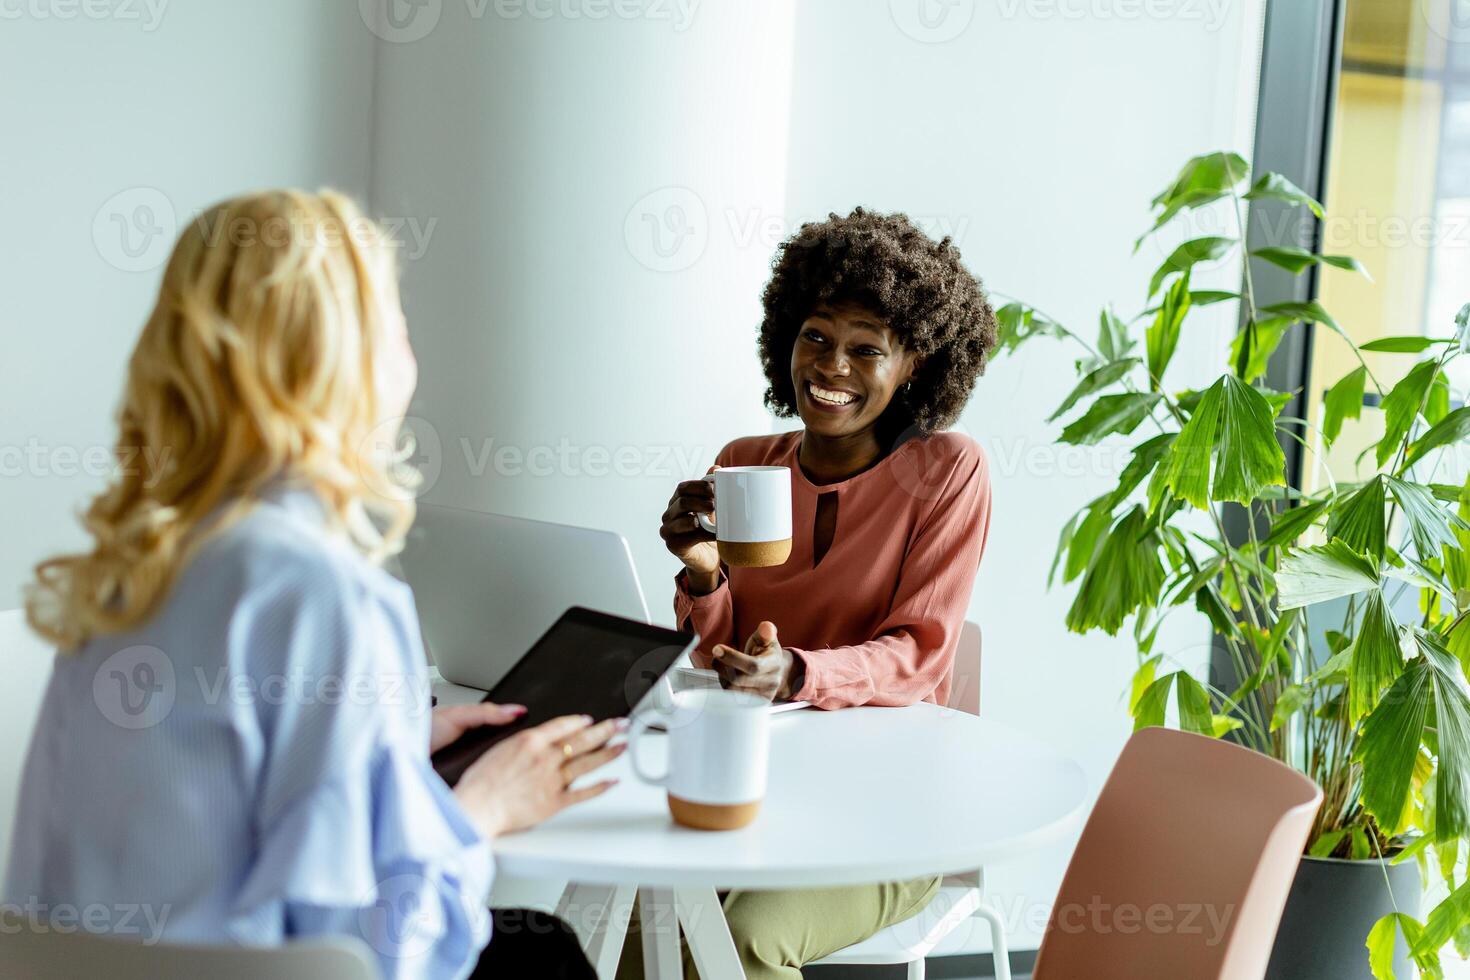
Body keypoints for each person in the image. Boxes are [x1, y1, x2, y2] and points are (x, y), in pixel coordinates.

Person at [5, 190, 616, 980]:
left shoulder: (122, 576)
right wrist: (483, 810)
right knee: (543, 955)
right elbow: (375, 952)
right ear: (342, 358)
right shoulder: (323, 593)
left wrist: (386, 749)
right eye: (396, 323)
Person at [632, 208, 998, 979]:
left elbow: (919, 656)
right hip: (756, 787)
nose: (832, 368)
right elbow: (711, 656)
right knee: (646, 924)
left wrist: (798, 672)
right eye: (817, 338)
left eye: (867, 350)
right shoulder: (745, 462)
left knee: (744, 937)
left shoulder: (945, 472)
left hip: (892, 814)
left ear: (915, 368)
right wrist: (703, 573)